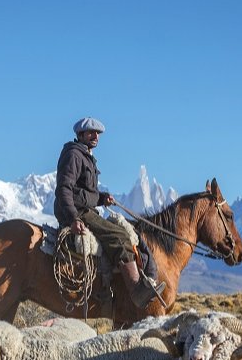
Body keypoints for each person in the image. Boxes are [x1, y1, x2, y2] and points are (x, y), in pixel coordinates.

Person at [53, 117, 165, 308]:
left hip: (85, 209)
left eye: (97, 133)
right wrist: (73, 218)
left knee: (128, 230)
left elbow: (84, 192)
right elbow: (64, 189)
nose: (95, 136)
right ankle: (136, 291)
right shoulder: (74, 155)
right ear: (80, 134)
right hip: (78, 212)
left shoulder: (85, 156)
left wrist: (102, 198)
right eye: (91, 133)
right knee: (118, 236)